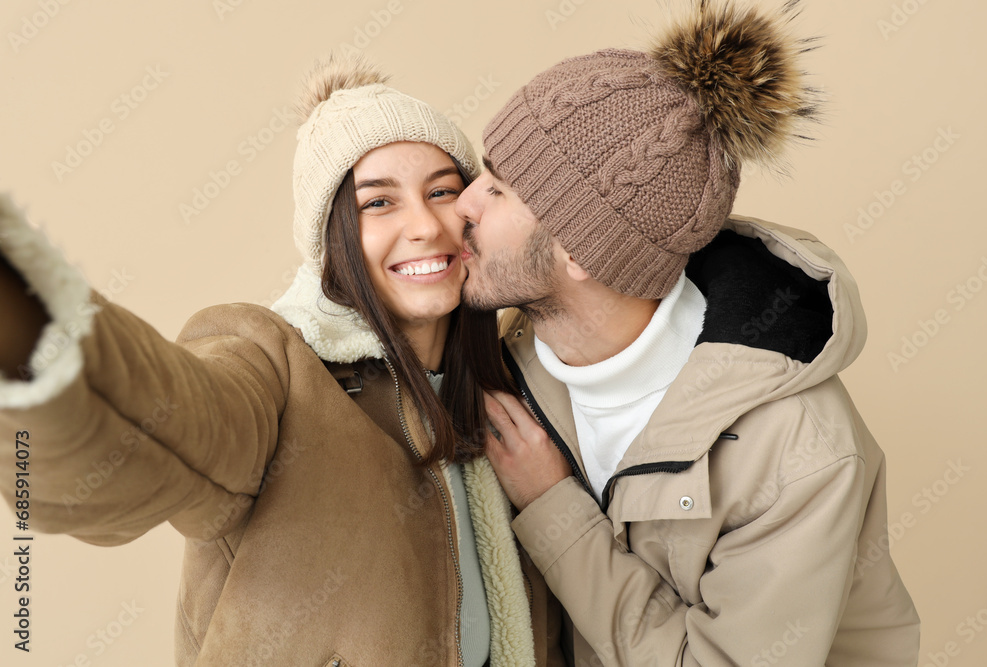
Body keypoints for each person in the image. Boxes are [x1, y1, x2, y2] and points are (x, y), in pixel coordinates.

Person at [0, 58, 563, 666]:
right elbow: (160, 438)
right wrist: (36, 333)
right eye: (378, 203)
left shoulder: (517, 384)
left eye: (442, 192)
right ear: (332, 238)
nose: (425, 226)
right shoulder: (271, 363)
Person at [456, 2, 920, 665]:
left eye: (499, 190)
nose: (463, 202)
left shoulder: (798, 453)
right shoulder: (502, 365)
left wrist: (553, 506)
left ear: (583, 251)